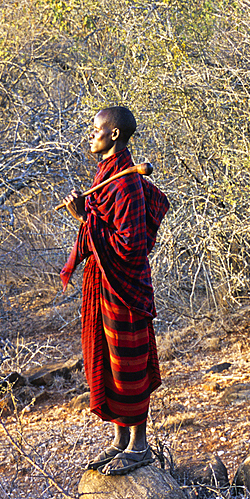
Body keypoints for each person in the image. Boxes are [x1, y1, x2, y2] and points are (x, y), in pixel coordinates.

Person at [59, 106, 170, 476]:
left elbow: (132, 245)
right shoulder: (110, 174)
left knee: (129, 364)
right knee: (109, 361)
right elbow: (104, 227)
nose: (91, 136)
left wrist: (82, 219)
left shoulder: (124, 183)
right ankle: (121, 442)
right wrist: (86, 215)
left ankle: (140, 446)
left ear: (114, 136)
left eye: (96, 130)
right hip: (104, 282)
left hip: (123, 286)